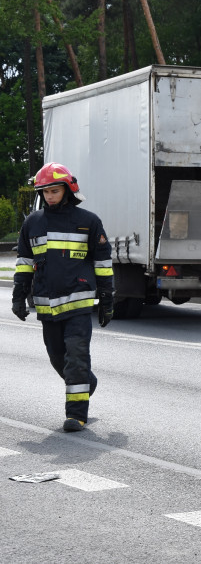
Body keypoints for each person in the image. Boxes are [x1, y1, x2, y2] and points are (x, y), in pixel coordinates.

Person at [12, 163, 114, 432]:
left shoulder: (89, 222)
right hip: (47, 307)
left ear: (68, 190)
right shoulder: (33, 223)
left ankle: (76, 415)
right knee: (58, 358)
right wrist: (18, 296)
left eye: (54, 191)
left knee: (77, 357)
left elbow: (103, 264)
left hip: (79, 305)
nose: (49, 196)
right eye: (45, 192)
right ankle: (86, 384)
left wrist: (107, 299)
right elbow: (24, 262)